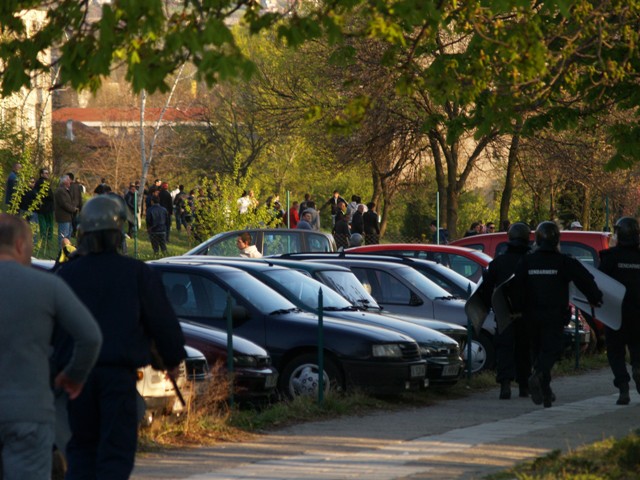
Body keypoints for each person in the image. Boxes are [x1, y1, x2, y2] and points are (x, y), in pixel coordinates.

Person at [56, 195, 186, 479]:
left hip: (78, 380)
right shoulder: (137, 273)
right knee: (115, 454)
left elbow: (54, 330)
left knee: (81, 451)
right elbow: (162, 322)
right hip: (117, 378)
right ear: (119, 233)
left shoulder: (67, 274)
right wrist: (172, 360)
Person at [0, 213, 102, 480]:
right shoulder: (47, 286)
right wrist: (73, 376)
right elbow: (90, 337)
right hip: (29, 412)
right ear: (21, 245)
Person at [511, 221, 602, 408]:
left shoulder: (527, 261)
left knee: (538, 352)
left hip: (531, 316)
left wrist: (518, 309)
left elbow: (515, 288)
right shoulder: (564, 261)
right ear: (556, 240)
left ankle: (545, 393)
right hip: (554, 316)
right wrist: (595, 298)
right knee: (552, 351)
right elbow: (585, 279)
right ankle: (538, 376)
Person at [480, 222, 532, 399]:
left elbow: (487, 289)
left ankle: (505, 385)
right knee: (524, 350)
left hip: (504, 314)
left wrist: (486, 307)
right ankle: (524, 385)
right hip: (526, 314)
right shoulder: (531, 261)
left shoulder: (498, 263)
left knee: (505, 349)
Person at [598, 216, 640, 405]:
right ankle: (638, 369)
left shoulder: (610, 258)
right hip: (638, 314)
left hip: (615, 314)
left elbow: (599, 283)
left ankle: (623, 386)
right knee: (638, 349)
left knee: (615, 352)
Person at [54, 174, 78, 250]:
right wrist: (73, 209)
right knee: (63, 237)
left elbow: (69, 202)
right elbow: (64, 204)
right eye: (68, 180)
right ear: (64, 181)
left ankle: (66, 253)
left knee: (67, 237)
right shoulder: (60, 191)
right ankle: (61, 253)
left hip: (68, 217)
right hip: (63, 217)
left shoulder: (66, 190)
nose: (70, 182)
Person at [35, 167, 55, 246]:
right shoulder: (42, 182)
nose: (47, 174)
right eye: (46, 173)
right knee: (47, 224)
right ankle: (46, 239)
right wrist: (53, 198)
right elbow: (49, 195)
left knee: (45, 224)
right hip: (45, 207)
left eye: (48, 173)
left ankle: (46, 239)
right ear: (41, 174)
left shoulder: (40, 182)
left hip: (44, 207)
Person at [67, 172, 83, 237]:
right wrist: (81, 207)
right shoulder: (78, 187)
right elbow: (80, 197)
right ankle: (73, 231)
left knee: (69, 220)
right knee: (74, 219)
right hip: (76, 206)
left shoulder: (68, 186)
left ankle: (70, 232)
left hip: (70, 205)